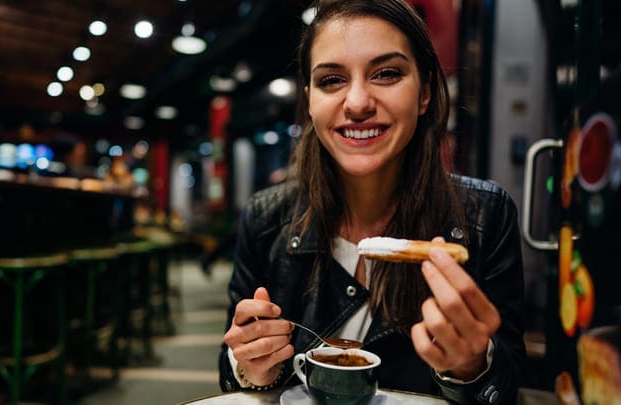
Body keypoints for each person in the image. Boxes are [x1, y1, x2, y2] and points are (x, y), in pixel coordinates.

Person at [219, 0, 525, 403]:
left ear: (425, 93)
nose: (358, 102)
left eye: (387, 74)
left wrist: (472, 365)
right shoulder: (266, 217)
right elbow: (231, 370)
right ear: (310, 101)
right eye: (331, 80)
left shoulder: (485, 216)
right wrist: (252, 365)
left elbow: (505, 385)